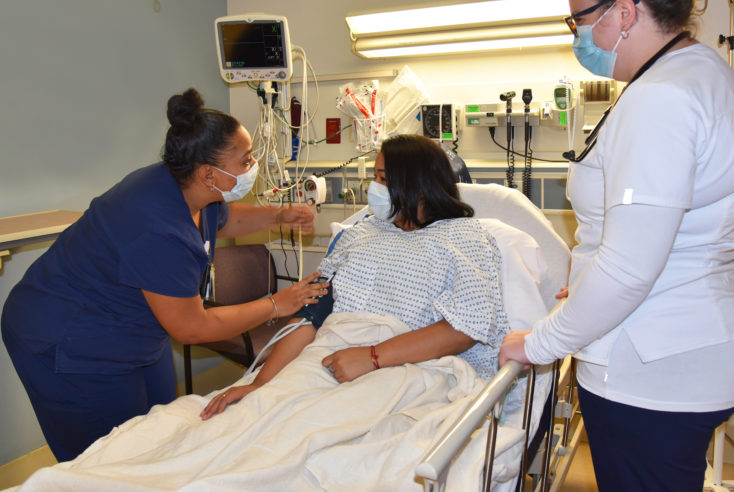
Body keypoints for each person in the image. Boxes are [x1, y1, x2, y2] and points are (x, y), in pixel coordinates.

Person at [498, 0, 734, 492]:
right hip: (687, 346)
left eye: (579, 18)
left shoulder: (661, 99)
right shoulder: (701, 74)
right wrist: (591, 282)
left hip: (655, 370)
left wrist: (538, 343)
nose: (576, 35)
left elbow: (630, 267)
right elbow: (656, 239)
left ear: (623, 11)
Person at [1, 88, 329, 462]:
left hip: (131, 328)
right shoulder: (156, 227)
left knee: (159, 432)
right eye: (246, 160)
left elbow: (223, 220)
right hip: (67, 337)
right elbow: (192, 328)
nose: (252, 166)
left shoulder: (188, 185)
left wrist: (276, 215)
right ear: (210, 174)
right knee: (111, 461)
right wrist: (275, 304)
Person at [201, 134, 511, 419]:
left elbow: (466, 328)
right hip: (331, 354)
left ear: (416, 184)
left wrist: (373, 357)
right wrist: (262, 384)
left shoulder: (466, 238)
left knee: (323, 425)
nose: (373, 188)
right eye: (375, 177)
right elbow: (313, 314)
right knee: (262, 412)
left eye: (383, 179)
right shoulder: (363, 232)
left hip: (414, 366)